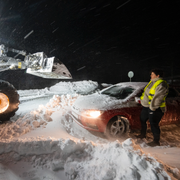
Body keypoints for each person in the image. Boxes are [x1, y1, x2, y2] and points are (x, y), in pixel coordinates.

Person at [136, 68, 169, 147]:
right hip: (147, 106)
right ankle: (143, 134)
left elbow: (158, 98)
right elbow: (146, 94)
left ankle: (156, 141)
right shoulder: (152, 82)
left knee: (153, 124)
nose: (151, 75)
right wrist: (141, 101)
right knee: (142, 119)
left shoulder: (162, 84)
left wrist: (153, 108)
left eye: (152, 74)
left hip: (156, 108)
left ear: (157, 75)